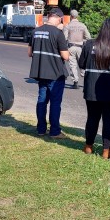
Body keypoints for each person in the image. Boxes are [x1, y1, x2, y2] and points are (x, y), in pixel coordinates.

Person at [78, 18, 110, 159]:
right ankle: (106, 151)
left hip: (92, 87)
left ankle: (88, 146)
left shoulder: (89, 44)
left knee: (92, 117)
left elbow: (81, 64)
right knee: (109, 119)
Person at [29, 7, 70, 138]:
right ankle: (55, 131)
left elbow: (30, 53)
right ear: (59, 18)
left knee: (41, 101)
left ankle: (41, 129)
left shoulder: (35, 31)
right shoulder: (58, 33)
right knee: (55, 103)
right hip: (55, 74)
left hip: (41, 72)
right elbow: (66, 56)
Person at [64, 9, 92, 89]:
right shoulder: (82, 25)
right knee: (83, 64)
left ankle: (75, 81)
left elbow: (64, 38)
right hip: (81, 48)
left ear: (71, 16)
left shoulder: (68, 26)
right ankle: (86, 79)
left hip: (71, 47)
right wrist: (83, 42)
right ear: (77, 16)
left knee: (73, 65)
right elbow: (88, 37)